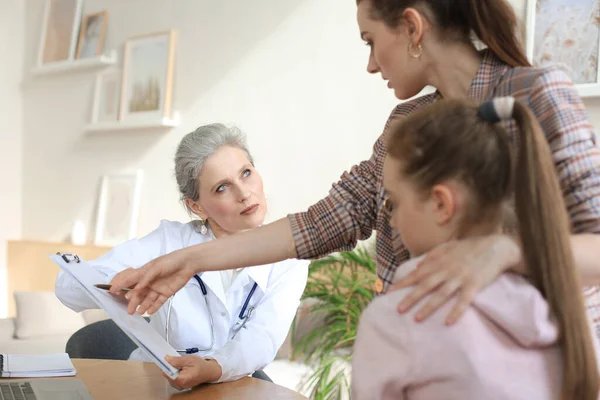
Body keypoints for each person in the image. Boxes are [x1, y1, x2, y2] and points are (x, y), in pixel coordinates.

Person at [108, 0, 600, 331]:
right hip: (423, 350)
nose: (370, 63)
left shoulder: (535, 94)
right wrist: (188, 260)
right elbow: (329, 219)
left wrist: (502, 251)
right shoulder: (407, 122)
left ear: (411, 28)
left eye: (369, 40)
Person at [351, 97, 600, 399]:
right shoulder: (566, 309)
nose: (392, 219)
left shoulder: (397, 318)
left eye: (395, 202)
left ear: (441, 204)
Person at [55, 123, 308, 390]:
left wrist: (212, 367)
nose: (244, 194)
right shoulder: (169, 242)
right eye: (222, 187)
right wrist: (122, 285)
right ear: (196, 206)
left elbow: (262, 340)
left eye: (246, 173)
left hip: (233, 386)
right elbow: (66, 287)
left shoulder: (289, 257)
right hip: (154, 385)